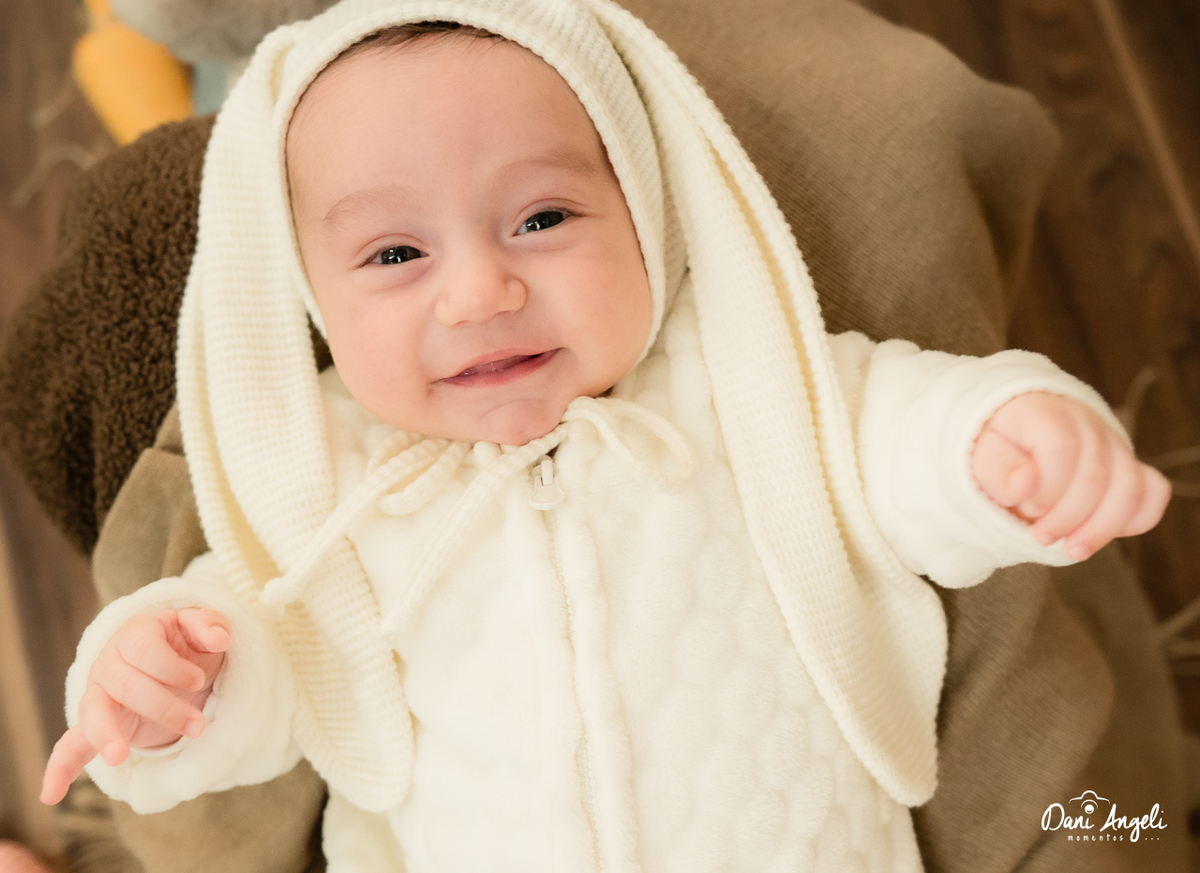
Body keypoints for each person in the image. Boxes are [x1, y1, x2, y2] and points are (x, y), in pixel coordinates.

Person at [37, 0, 1170, 868]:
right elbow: (277, 669)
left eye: (542, 218)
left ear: (648, 214)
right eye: (395, 254)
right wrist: (171, 680)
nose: (479, 292)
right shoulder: (324, 479)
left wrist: (1006, 439)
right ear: (313, 299)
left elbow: (900, 434)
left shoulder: (748, 382)